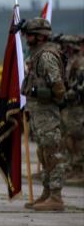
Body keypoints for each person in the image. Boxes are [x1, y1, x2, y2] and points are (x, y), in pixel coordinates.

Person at [21, 18, 67, 211]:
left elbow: (58, 86)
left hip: (47, 111)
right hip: (39, 112)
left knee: (52, 152)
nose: (26, 38)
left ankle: (56, 196)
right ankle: (47, 192)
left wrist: (45, 96)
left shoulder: (46, 56)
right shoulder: (36, 54)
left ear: (40, 36)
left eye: (30, 34)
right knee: (43, 153)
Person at [58, 34, 84, 184]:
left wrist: (70, 94)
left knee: (78, 137)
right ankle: (73, 168)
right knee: (69, 137)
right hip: (70, 106)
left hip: (78, 106)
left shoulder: (80, 62)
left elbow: (80, 86)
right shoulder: (70, 61)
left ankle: (79, 169)